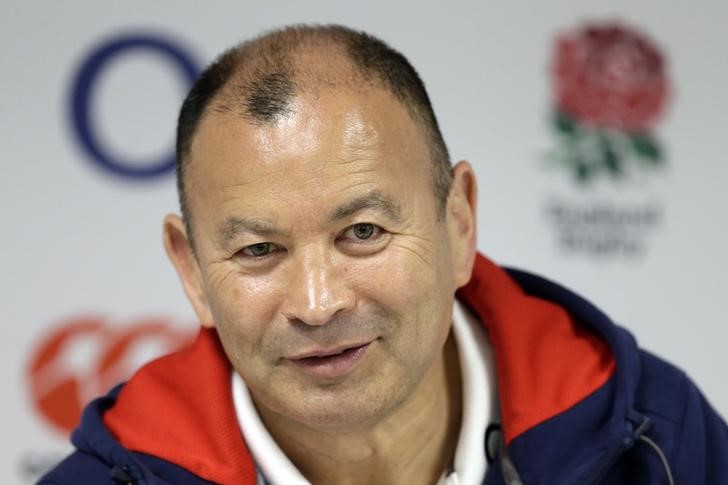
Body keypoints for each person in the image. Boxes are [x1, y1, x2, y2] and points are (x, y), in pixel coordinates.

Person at [41, 24, 727, 485]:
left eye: (362, 231)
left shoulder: (656, 441)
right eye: (259, 248)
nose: (318, 302)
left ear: (458, 223)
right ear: (191, 270)